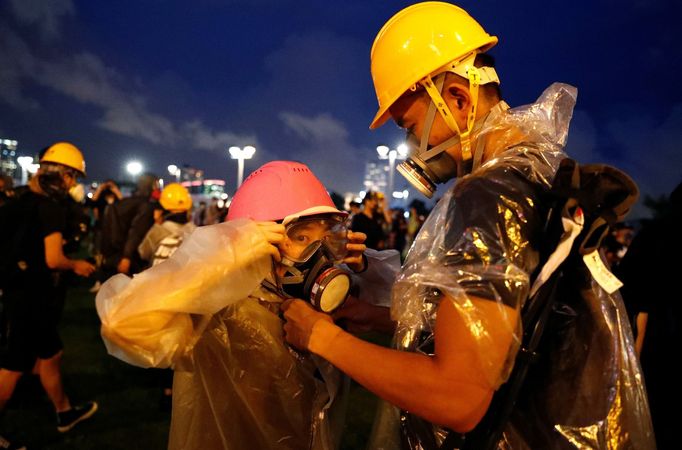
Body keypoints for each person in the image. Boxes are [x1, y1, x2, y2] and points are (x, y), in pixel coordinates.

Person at [281, 3, 653, 449]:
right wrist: (380, 317)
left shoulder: (487, 195)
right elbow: (504, 328)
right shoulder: (536, 175)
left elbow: (457, 396)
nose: (413, 147)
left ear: (456, 98)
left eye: (411, 126)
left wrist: (320, 336)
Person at [96, 161, 371, 450]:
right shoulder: (220, 303)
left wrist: (367, 266)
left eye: (326, 239)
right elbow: (122, 323)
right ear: (256, 237)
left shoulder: (310, 307)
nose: (320, 254)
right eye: (302, 237)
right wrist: (219, 259)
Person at [0, 142, 97, 448]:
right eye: (74, 177)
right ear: (66, 176)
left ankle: (65, 412)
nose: (73, 185)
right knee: (14, 365)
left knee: (50, 355)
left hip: (21, 289)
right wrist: (77, 264)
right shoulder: (52, 206)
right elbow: (53, 259)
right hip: (31, 296)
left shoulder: (23, 198)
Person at [618, 181, 682, 450]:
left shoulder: (654, 237)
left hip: (659, 359)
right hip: (662, 354)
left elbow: (634, 304)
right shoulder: (656, 238)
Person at [100, 173, 159, 277]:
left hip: (114, 253)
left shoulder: (126, 202)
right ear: (152, 186)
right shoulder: (147, 206)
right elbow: (136, 232)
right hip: (132, 258)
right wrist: (126, 257)